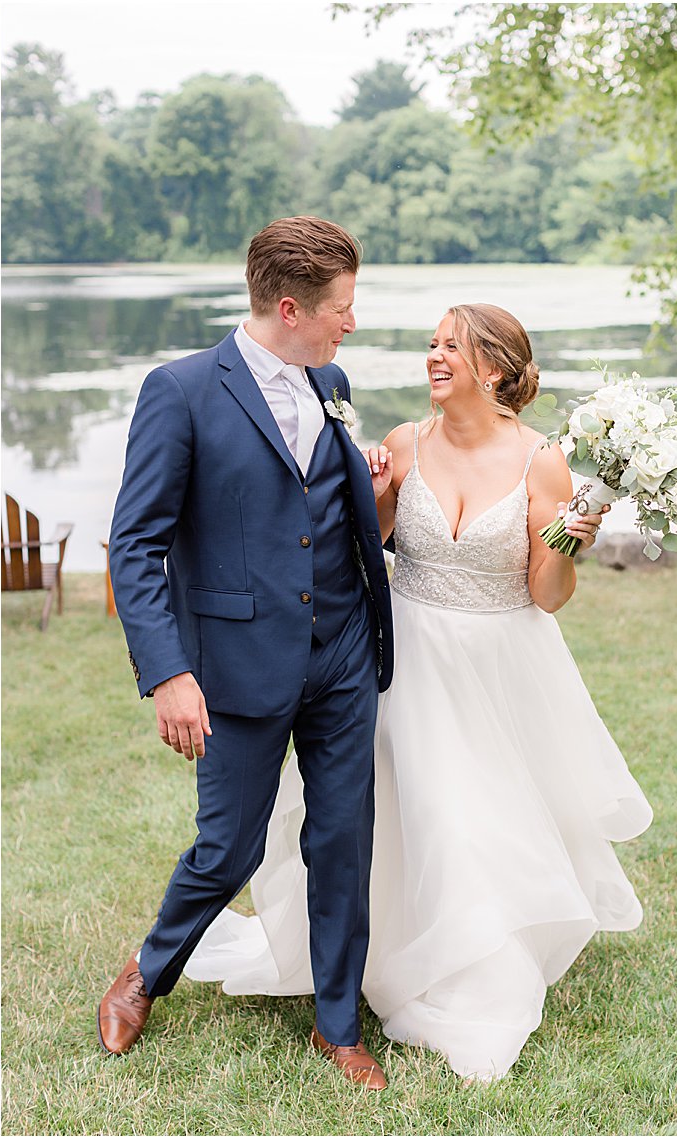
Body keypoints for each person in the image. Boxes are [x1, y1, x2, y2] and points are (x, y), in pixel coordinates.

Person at [185, 303, 652, 1083]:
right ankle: (381, 955)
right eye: (432, 344)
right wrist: (370, 492)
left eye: (451, 347)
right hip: (405, 658)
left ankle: (473, 971)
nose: (434, 356)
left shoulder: (542, 461)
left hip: (499, 664)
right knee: (411, 812)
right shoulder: (404, 443)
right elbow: (361, 548)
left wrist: (571, 540)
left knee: (478, 819)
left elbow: (547, 594)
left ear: (493, 369)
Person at [102, 216, 395, 1089]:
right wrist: (168, 672)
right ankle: (149, 970)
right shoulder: (182, 390)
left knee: (342, 839)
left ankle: (337, 1024)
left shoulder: (331, 380)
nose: (352, 323)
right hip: (235, 661)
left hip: (342, 648)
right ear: (290, 308)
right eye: (342, 308)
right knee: (228, 847)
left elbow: (315, 500)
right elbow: (135, 545)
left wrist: (364, 479)